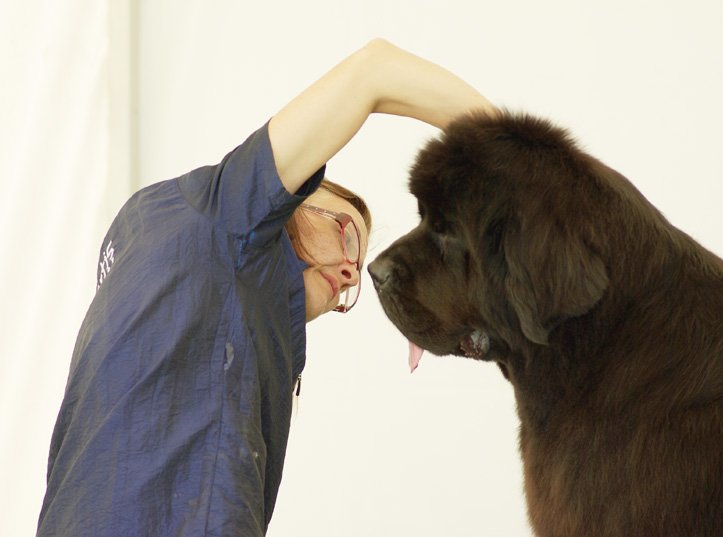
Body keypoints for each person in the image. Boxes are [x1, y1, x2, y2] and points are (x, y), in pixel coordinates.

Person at [36, 38, 496, 537]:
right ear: (287, 202)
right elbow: (376, 70)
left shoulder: (200, 297)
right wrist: (511, 152)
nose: (348, 273)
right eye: (344, 233)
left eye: (355, 276)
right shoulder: (224, 215)